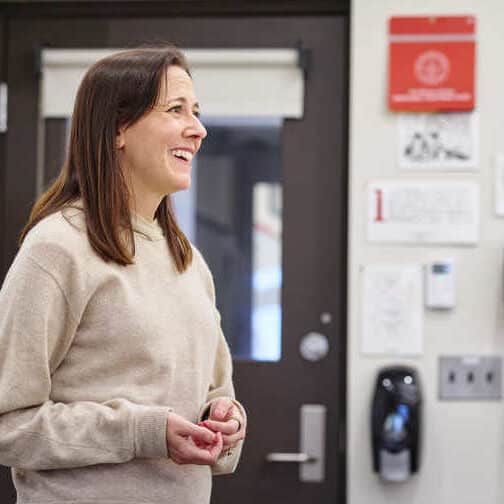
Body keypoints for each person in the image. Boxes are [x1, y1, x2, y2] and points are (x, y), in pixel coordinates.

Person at [0, 46, 246, 504]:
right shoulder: (56, 248)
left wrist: (225, 419)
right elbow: (8, 423)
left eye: (196, 112)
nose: (198, 129)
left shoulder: (187, 260)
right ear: (117, 128)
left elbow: (217, 389)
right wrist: (141, 431)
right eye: (176, 110)